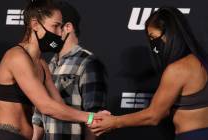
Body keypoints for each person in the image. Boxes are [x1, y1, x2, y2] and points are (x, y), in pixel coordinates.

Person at [89, 6, 208, 140]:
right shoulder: (200, 61)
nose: (153, 45)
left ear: (170, 33)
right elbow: (165, 111)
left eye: (153, 37)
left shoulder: (177, 69)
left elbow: (154, 116)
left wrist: (114, 122)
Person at [0, 0, 99, 140]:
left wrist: (97, 119)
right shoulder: (16, 57)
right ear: (35, 25)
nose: (59, 33)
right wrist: (91, 117)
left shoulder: (42, 65)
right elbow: (46, 106)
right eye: (55, 26)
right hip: (6, 135)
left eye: (61, 27)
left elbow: (57, 105)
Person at [32, 1, 107, 140]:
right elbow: (38, 118)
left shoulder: (88, 62)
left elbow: (95, 118)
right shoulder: (49, 64)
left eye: (55, 26)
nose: (47, 32)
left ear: (67, 27)